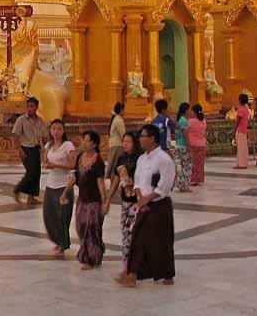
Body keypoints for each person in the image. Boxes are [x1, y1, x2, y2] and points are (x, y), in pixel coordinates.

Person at [117, 123, 176, 287]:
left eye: (143, 136)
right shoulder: (142, 159)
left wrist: (148, 199)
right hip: (143, 204)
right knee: (138, 239)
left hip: (159, 205)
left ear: (153, 139)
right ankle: (133, 274)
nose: (140, 139)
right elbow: (137, 181)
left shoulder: (164, 159)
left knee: (160, 240)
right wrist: (140, 198)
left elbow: (165, 185)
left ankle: (167, 274)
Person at [66, 129, 107, 269]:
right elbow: (75, 177)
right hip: (82, 199)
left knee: (92, 228)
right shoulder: (80, 157)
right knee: (81, 226)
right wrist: (65, 192)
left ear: (94, 144)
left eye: (87, 140)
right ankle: (98, 248)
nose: (84, 143)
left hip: (94, 200)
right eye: (83, 139)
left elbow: (100, 182)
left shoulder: (98, 161)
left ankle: (91, 258)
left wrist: (105, 201)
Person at [41, 118, 76, 258]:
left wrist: (56, 166)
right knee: (49, 215)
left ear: (63, 130)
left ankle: (62, 244)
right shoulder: (49, 145)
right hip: (51, 184)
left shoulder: (68, 145)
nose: (56, 131)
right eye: (54, 128)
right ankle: (57, 240)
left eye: (59, 129)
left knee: (62, 215)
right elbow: (44, 159)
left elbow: (73, 165)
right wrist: (46, 163)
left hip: (64, 185)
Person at [106, 131, 142, 261]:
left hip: (138, 201)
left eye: (128, 141)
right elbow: (116, 178)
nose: (125, 144)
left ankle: (136, 260)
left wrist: (134, 181)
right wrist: (108, 197)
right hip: (126, 200)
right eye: (124, 141)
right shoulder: (122, 158)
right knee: (125, 230)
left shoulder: (141, 159)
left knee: (135, 231)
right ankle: (127, 260)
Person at [12, 96, 47, 206]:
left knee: (37, 174)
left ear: (36, 108)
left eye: (32, 106)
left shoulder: (40, 121)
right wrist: (19, 149)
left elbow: (45, 135)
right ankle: (17, 190)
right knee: (31, 173)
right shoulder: (21, 120)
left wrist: (46, 147)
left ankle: (31, 198)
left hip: (35, 149)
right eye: (28, 106)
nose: (29, 108)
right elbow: (16, 135)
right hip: (26, 149)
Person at [171, 102, 192, 192]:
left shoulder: (180, 120)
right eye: (189, 109)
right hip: (183, 145)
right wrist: (188, 146)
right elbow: (185, 135)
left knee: (183, 165)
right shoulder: (184, 121)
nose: (190, 111)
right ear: (186, 110)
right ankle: (184, 185)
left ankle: (181, 184)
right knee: (187, 166)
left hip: (179, 145)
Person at [186, 104, 207, 186]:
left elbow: (186, 132)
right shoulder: (204, 121)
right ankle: (199, 179)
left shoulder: (190, 121)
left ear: (194, 112)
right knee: (200, 163)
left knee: (193, 163)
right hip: (202, 144)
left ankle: (193, 179)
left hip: (193, 144)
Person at [106, 102, 126, 178]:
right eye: (124, 109)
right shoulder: (119, 120)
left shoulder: (116, 118)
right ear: (121, 110)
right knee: (116, 166)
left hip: (114, 145)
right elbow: (123, 134)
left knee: (113, 165)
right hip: (118, 146)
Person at [234, 93, 251, 169]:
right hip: (244, 130)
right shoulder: (246, 109)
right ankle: (243, 163)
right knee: (243, 147)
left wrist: (234, 129)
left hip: (240, 130)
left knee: (240, 148)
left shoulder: (241, 109)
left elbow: (237, 121)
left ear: (240, 100)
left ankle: (241, 164)